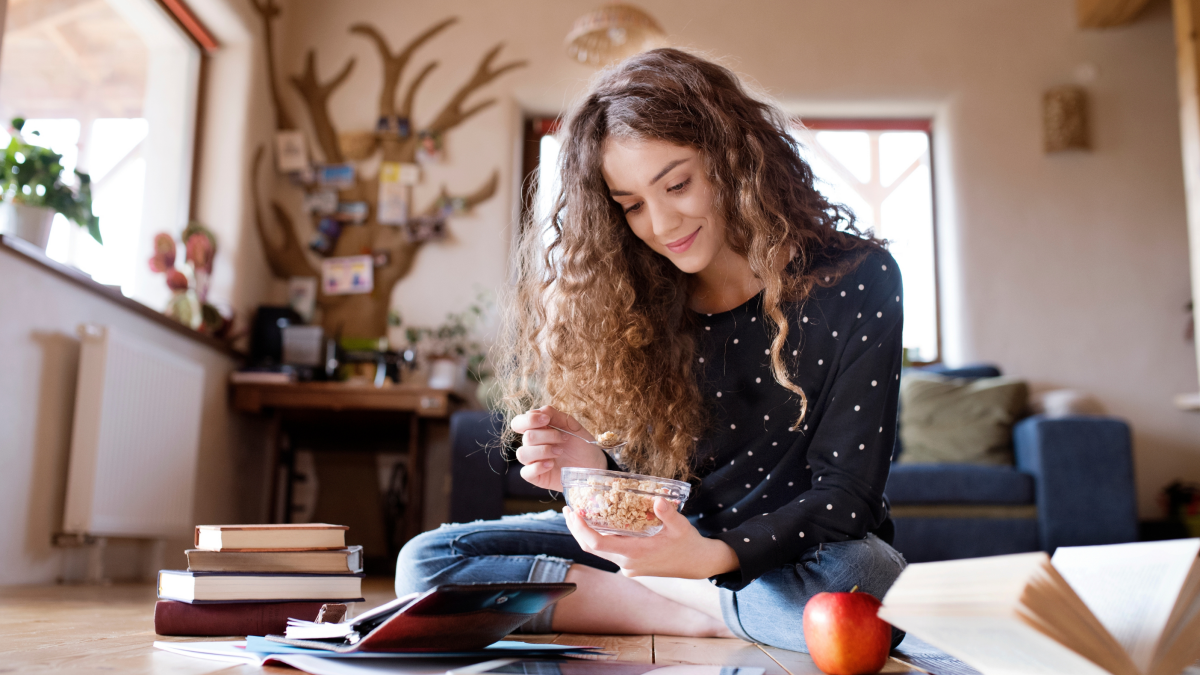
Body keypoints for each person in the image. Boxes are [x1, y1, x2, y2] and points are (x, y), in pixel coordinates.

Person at [396, 48, 907, 652]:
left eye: (678, 184)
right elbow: (659, 491)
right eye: (632, 205)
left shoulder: (857, 277)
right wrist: (590, 473)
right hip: (671, 547)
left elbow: (847, 498)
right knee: (426, 563)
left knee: (865, 581)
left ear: (733, 159)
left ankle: (676, 598)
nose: (661, 224)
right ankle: (705, 611)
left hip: (799, 556)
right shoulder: (635, 298)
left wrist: (711, 558)